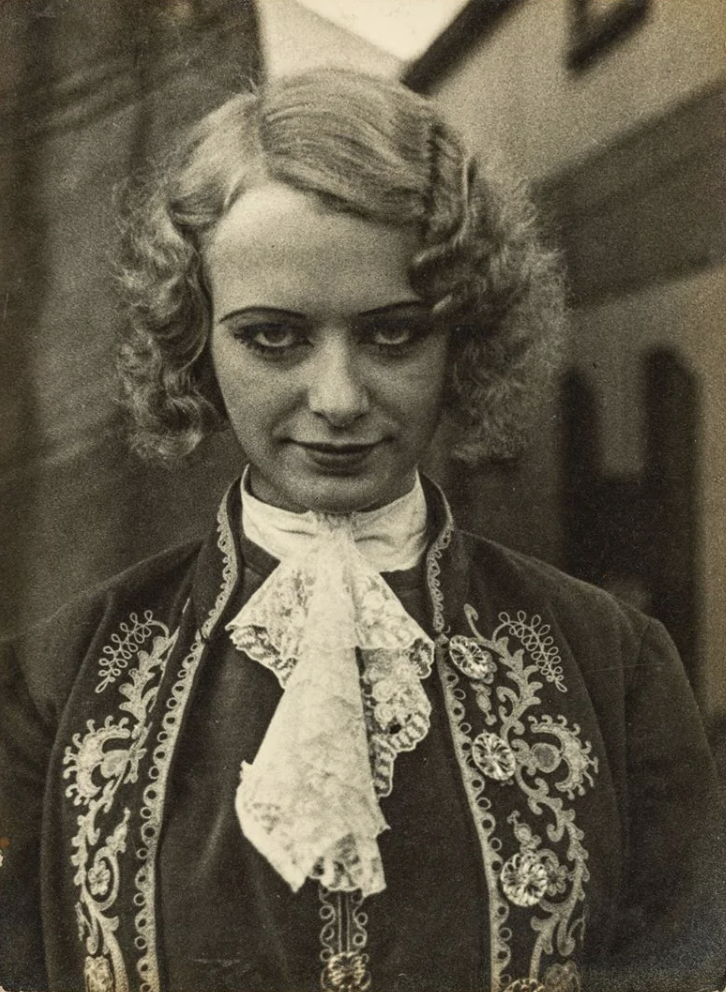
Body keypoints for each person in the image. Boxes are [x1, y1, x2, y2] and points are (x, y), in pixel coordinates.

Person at [0, 68, 724, 992]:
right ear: (197, 342)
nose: (337, 400)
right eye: (273, 338)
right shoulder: (54, 685)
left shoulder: (616, 670)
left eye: (394, 335)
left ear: (463, 337)